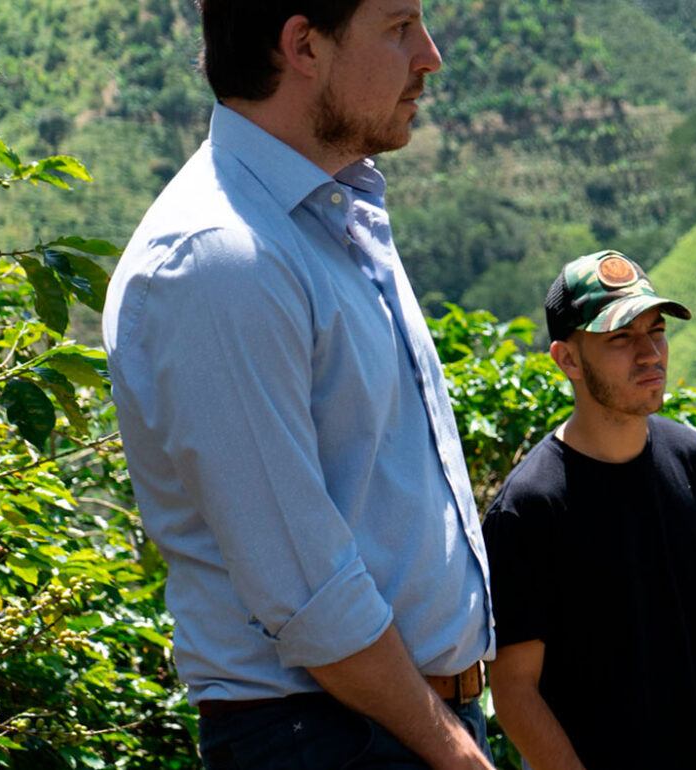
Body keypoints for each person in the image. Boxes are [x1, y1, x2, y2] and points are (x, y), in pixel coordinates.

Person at [101, 1, 496, 767]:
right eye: (399, 26)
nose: (431, 55)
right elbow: (308, 591)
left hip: (386, 724)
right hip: (330, 736)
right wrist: (452, 752)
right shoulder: (223, 257)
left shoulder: (323, 214)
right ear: (303, 45)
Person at [482, 250, 696, 769]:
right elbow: (515, 694)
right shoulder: (530, 507)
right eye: (620, 338)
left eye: (656, 331)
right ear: (567, 359)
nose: (650, 354)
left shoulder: (694, 460)